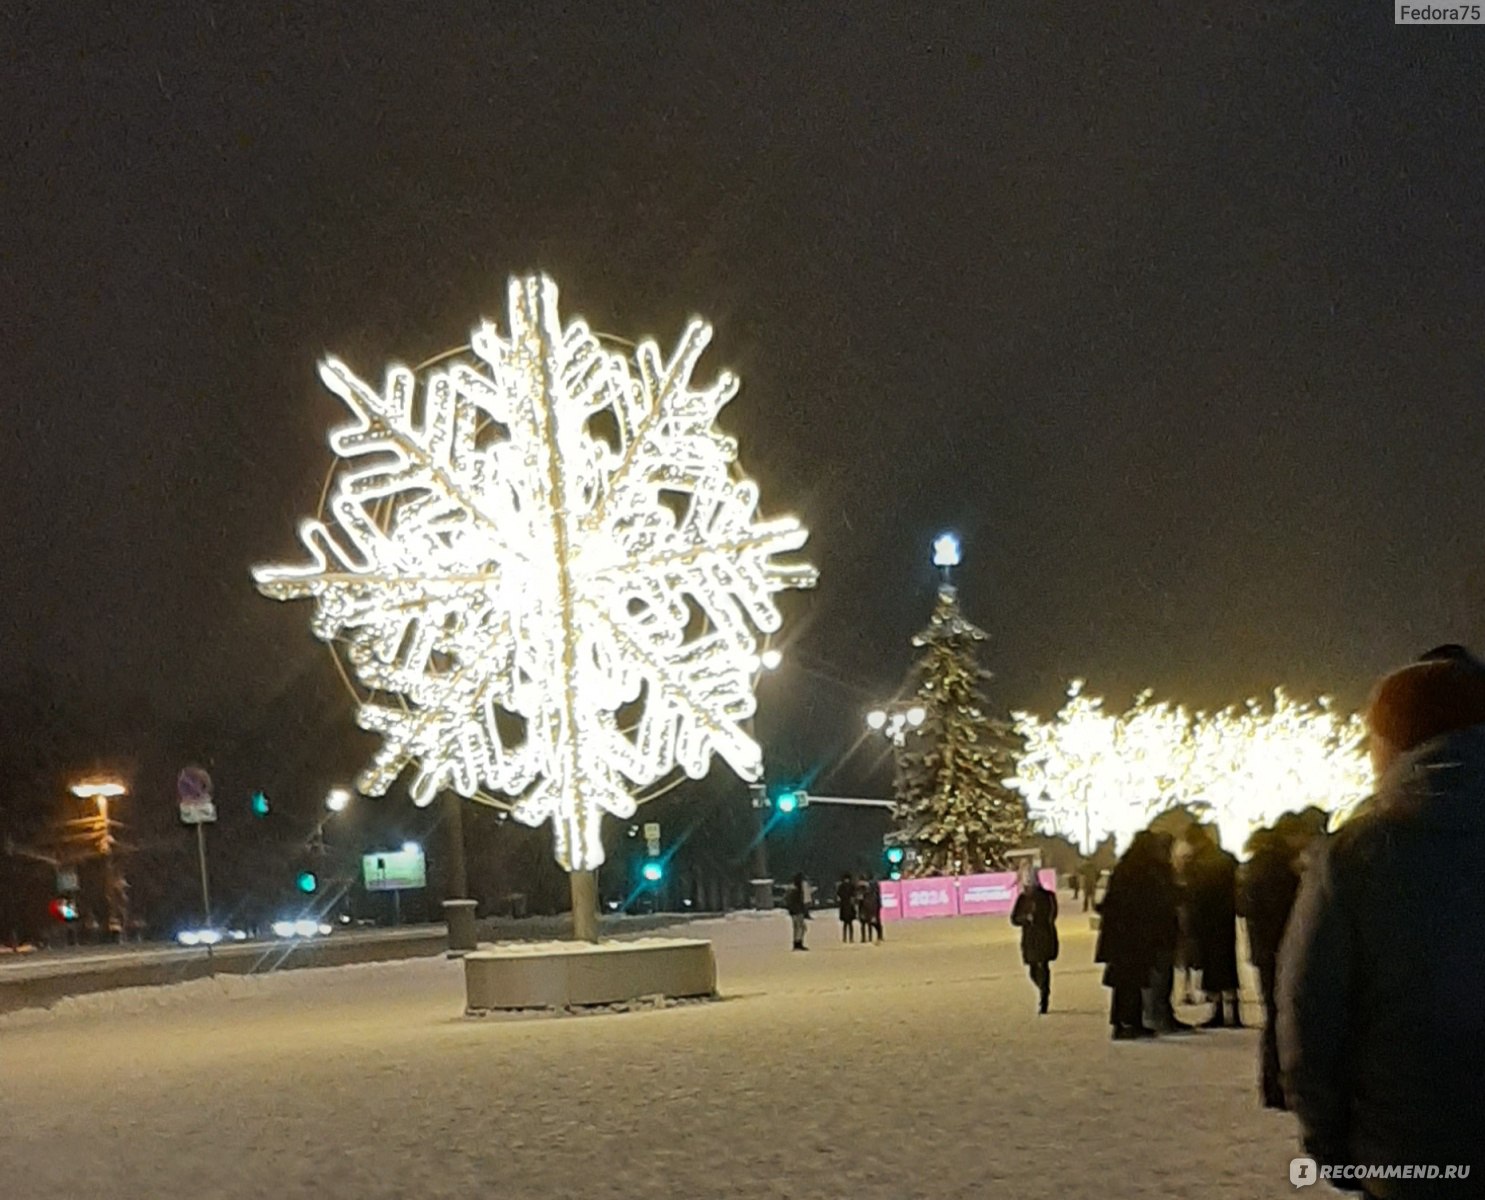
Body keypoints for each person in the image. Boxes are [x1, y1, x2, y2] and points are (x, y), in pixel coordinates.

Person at [1280, 652, 1485, 1194]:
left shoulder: (1358, 854)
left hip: (1408, 1152)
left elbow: (1310, 1010)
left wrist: (1330, 1143)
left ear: (1397, 744)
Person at [1244, 813, 1323, 1108]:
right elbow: (1284, 913)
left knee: (1277, 1016)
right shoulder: (1276, 868)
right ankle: (1277, 1087)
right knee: (1281, 1017)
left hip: (1268, 950)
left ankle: (1275, 1085)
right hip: (1276, 950)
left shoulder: (1265, 862)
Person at [1095, 831, 1165, 1039]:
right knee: (1132, 980)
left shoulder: (1125, 868)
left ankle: (1125, 1022)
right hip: (1132, 936)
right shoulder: (1142, 871)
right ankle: (1129, 1022)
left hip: (1121, 937)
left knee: (1124, 982)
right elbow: (1142, 904)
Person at [1184, 823, 1242, 1027]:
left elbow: (1194, 895)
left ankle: (1218, 1012)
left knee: (1211, 966)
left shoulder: (1198, 863)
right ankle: (1234, 1011)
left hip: (1206, 920)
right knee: (1228, 964)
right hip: (1225, 919)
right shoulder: (1226, 858)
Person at [1142, 830, 1194, 1033]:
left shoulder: (1153, 869)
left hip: (1160, 930)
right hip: (1159, 930)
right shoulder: (1158, 870)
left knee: (1162, 975)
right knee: (1160, 977)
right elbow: (1165, 897)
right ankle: (1159, 1016)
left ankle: (1159, 1014)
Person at [1011, 862, 1059, 1013]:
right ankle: (1042, 989)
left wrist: (1037, 919)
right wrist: (1025, 919)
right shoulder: (1022, 899)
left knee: (1043, 966)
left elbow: (1051, 915)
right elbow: (1014, 919)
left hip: (1043, 935)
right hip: (1029, 939)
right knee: (1033, 970)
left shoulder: (1047, 897)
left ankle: (1044, 996)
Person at [784, 873, 810, 951]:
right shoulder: (798, 890)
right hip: (798, 911)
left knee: (797, 928)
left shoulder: (791, 889)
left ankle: (796, 943)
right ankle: (798, 943)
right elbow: (801, 901)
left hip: (793, 911)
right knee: (801, 927)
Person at [858, 875, 883, 943]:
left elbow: (859, 899)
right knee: (872, 923)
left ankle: (867, 937)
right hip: (871, 906)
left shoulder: (865, 889)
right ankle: (873, 936)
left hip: (869, 907)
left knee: (869, 923)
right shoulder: (870, 889)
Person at [836, 873, 858, 943]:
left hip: (844, 905)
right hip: (849, 905)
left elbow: (838, 893)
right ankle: (850, 938)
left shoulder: (841, 886)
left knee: (845, 924)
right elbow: (854, 893)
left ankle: (845, 938)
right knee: (850, 923)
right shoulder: (851, 886)